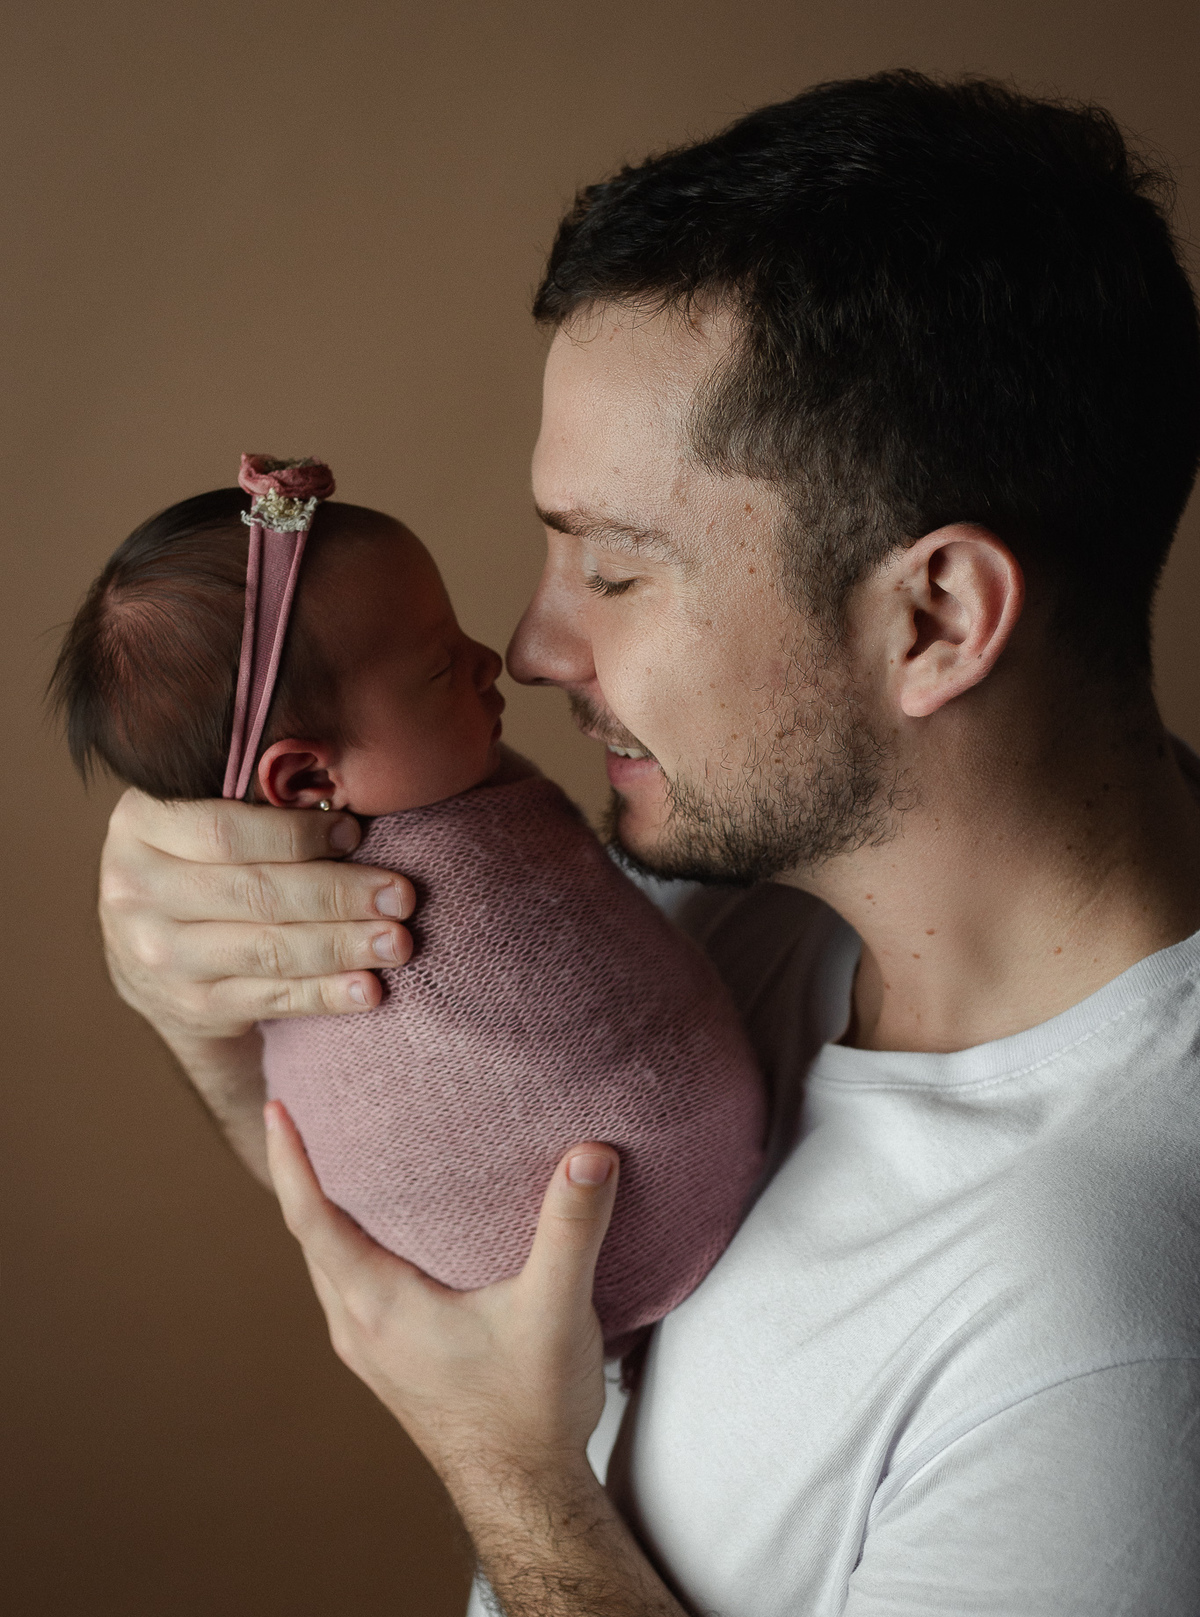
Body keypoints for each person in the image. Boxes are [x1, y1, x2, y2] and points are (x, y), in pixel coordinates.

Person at [95, 71, 1200, 1617]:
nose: (535, 646)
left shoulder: (1114, 1329)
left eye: (613, 568)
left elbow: (498, 1412)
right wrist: (212, 999)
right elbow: (434, 1190)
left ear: (935, 616)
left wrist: (515, 1481)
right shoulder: (708, 920)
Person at [53, 458, 764, 1356]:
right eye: (438, 665)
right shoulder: (375, 914)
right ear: (305, 779)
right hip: (585, 1262)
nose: (493, 660)